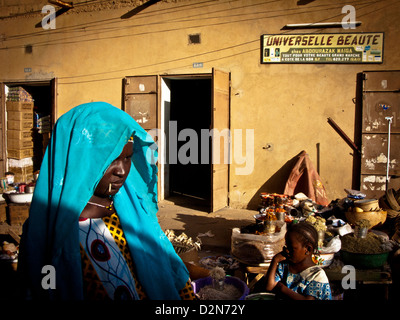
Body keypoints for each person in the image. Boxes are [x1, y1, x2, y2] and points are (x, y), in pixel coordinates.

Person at [18, 102, 194, 300]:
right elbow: (43, 287)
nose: (121, 171)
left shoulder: (131, 212)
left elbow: (166, 266)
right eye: (110, 160)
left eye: (127, 158)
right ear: (79, 160)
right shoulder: (45, 233)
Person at [265, 221, 332, 300]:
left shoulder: (316, 275)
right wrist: (275, 260)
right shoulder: (285, 265)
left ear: (308, 249)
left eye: (291, 248)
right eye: (286, 246)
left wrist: (282, 288)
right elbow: (269, 286)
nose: (286, 251)